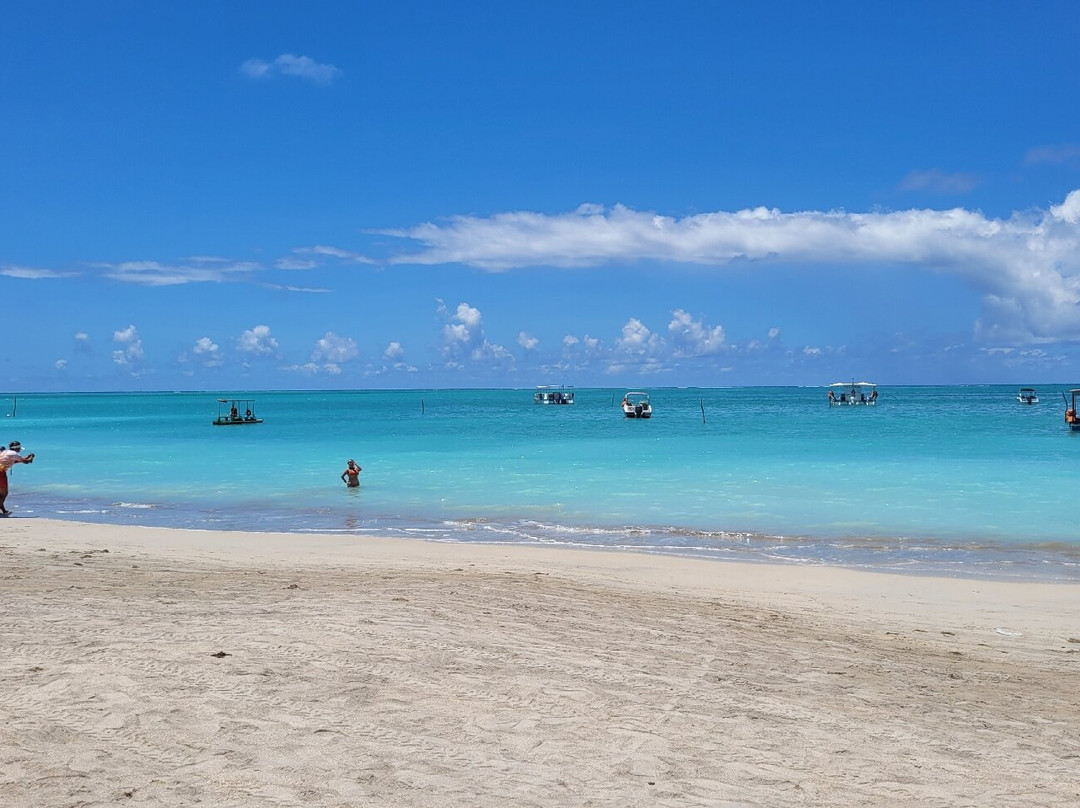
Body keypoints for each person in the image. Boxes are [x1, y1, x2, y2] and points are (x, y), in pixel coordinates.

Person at [0, 440, 35, 516]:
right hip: (1, 472)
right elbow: (27, 462)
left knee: (0, 494)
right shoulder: (14, 453)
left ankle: (4, 511)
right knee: (4, 494)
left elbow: (13, 461)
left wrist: (25, 458)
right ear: (17, 448)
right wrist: (32, 456)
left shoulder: (6, 452)